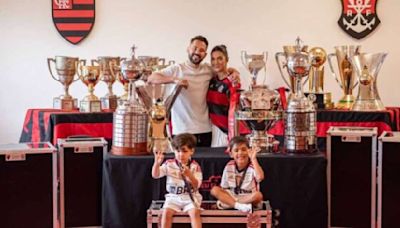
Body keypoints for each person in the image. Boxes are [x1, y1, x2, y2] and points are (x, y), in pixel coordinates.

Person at [147, 36, 240, 147]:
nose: (197, 52)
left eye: (201, 50)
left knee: (205, 164)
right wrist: (175, 80)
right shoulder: (177, 69)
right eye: (194, 48)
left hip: (206, 131)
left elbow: (222, 70)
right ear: (188, 49)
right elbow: (151, 78)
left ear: (205, 55)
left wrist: (235, 72)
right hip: (182, 131)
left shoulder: (208, 70)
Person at [152, 133, 203, 228]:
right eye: (177, 151)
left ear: (191, 151)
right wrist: (156, 164)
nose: (180, 155)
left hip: (190, 196)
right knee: (166, 213)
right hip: (173, 197)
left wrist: (189, 175)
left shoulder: (195, 166)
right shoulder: (169, 164)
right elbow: (155, 175)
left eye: (184, 151)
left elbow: (197, 185)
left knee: (194, 213)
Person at [207, 45, 249, 147]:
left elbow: (237, 109)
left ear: (227, 60)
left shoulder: (233, 81)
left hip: (227, 132)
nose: (216, 62)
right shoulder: (212, 79)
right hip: (213, 129)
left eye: (220, 58)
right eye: (213, 59)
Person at [210, 136, 264, 213]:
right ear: (231, 154)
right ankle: (238, 206)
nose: (240, 153)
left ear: (249, 151)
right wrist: (225, 197)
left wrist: (253, 159)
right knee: (214, 190)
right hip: (232, 196)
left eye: (243, 149)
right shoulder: (229, 165)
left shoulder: (253, 166)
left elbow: (260, 177)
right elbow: (223, 188)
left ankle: (228, 204)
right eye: (236, 150)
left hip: (247, 197)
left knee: (258, 196)